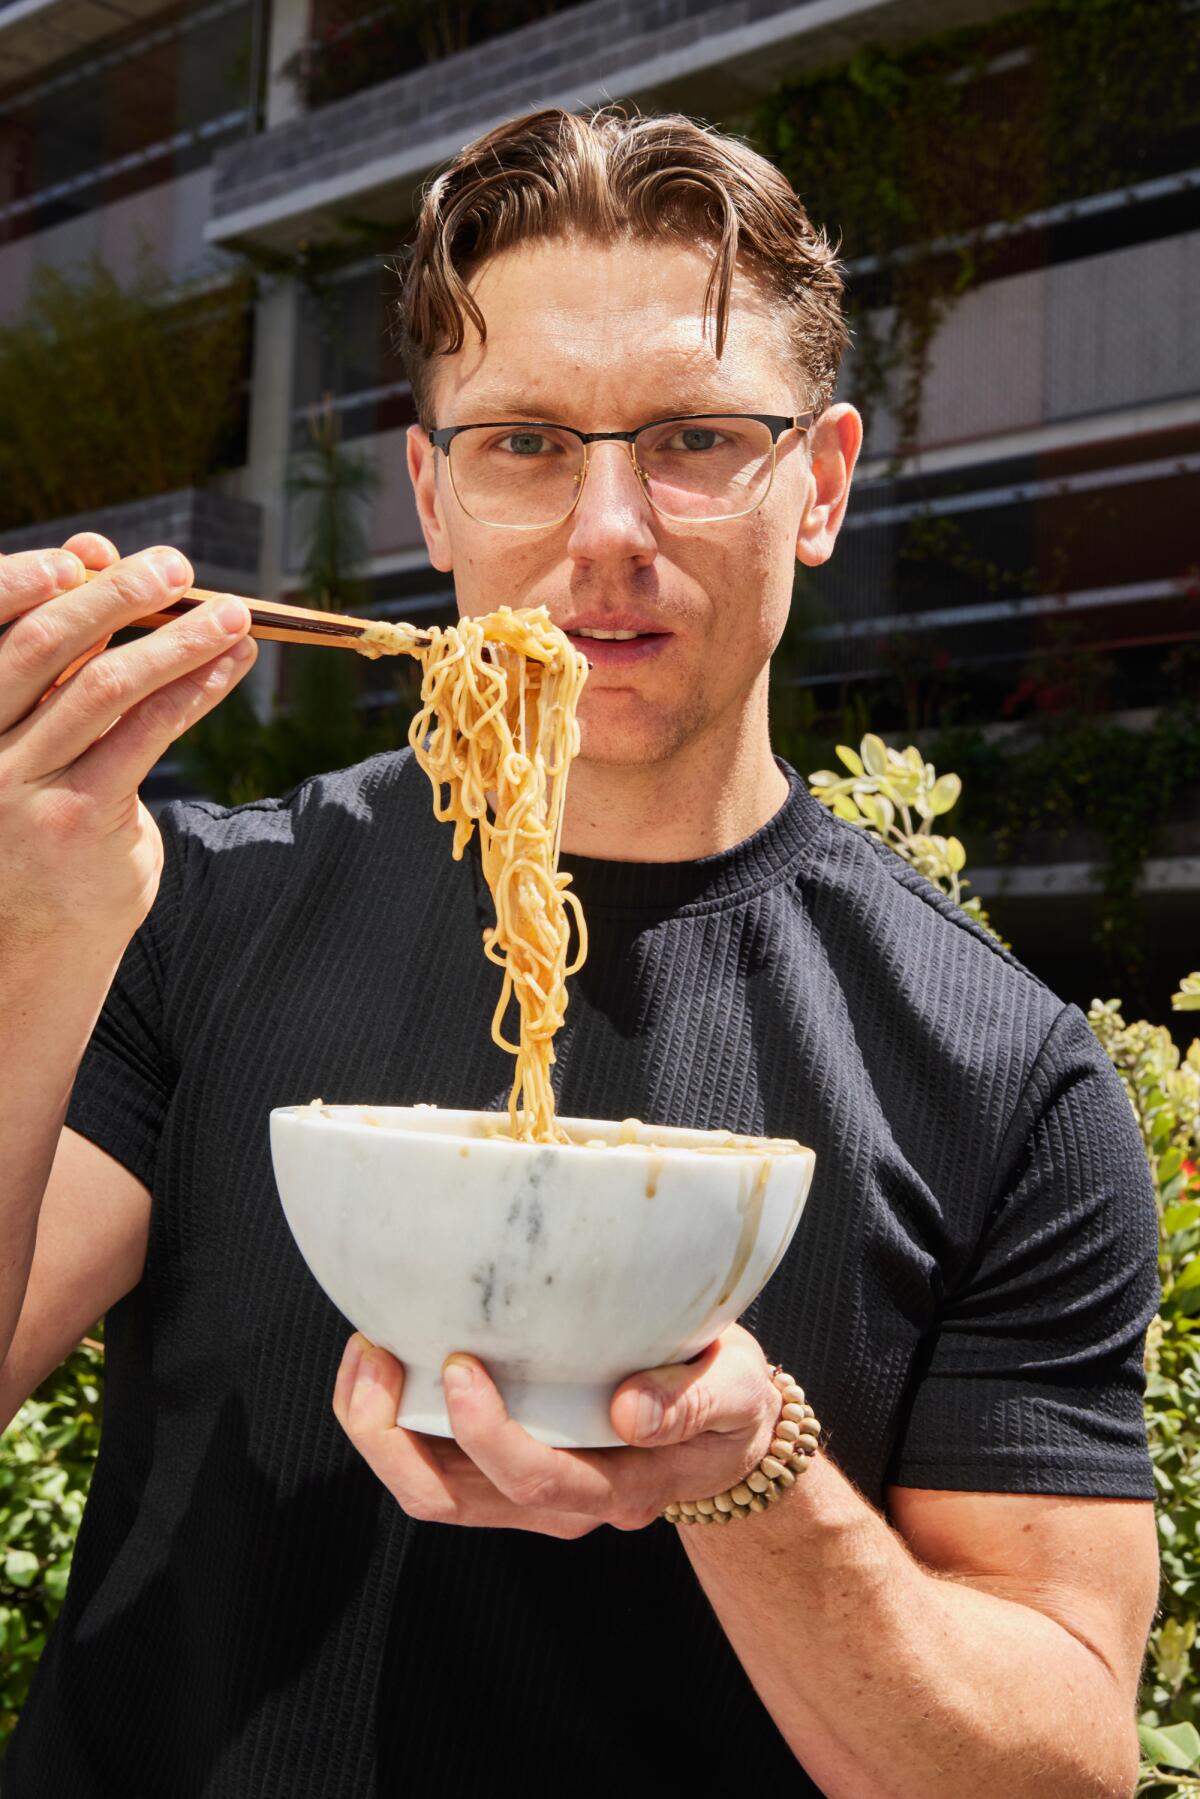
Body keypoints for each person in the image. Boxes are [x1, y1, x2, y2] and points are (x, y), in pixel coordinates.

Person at [0, 105, 1159, 1797]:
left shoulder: (1002, 1075)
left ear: (820, 483)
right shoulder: (195, 912)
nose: (607, 529)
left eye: (694, 440)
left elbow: (1057, 1770)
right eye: (526, 442)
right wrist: (39, 928)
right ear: (434, 493)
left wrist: (747, 1474)